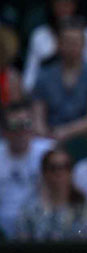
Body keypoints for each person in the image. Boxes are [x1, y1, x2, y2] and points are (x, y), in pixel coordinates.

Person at [31, 17, 87, 143]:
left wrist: (66, 132)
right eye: (67, 41)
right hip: (50, 136)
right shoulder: (44, 75)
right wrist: (43, 133)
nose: (71, 47)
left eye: (75, 42)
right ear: (58, 43)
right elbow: (38, 113)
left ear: (84, 44)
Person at [23, 0, 87, 92]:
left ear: (76, 3)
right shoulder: (39, 35)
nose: (63, 5)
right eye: (58, 0)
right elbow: (29, 81)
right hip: (47, 97)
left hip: (84, 97)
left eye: (68, 0)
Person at [16, 148, 87, 241]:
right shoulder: (30, 209)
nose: (59, 172)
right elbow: (23, 244)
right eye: (53, 168)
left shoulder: (84, 206)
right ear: (44, 173)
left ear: (71, 172)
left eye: (65, 167)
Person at [0, 101, 54, 237]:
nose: (21, 131)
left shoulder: (47, 152)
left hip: (38, 227)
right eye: (15, 126)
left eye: (26, 124)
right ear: (5, 131)